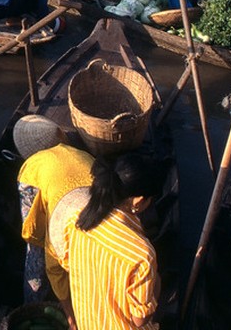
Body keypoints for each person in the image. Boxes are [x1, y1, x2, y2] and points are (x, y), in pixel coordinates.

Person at [58, 153, 163, 330]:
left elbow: (68, 265)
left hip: (87, 323)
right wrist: (156, 285)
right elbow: (140, 320)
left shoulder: (77, 221)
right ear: (139, 201)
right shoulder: (142, 255)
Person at [14, 115, 93, 323]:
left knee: (38, 255)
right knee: (37, 247)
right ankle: (34, 307)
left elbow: (55, 267)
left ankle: (33, 303)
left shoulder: (71, 240)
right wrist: (70, 315)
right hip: (47, 185)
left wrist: (70, 314)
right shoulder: (83, 155)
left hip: (70, 193)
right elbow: (47, 255)